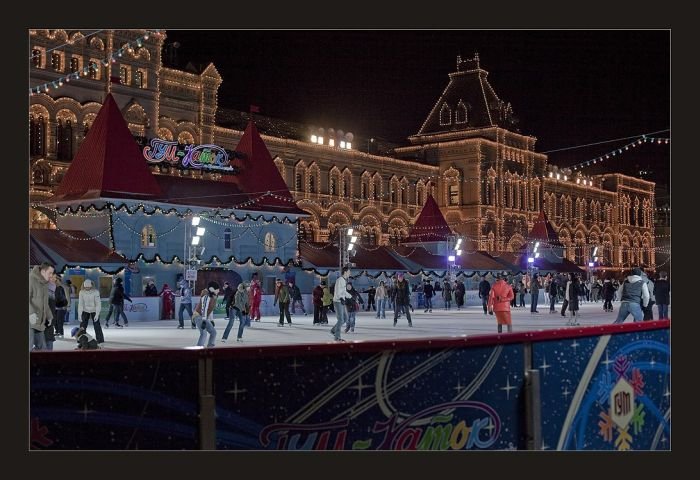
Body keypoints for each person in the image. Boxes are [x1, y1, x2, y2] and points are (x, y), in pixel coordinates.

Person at [30, 262, 54, 351]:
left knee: (42, 349)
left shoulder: (44, 283)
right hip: (30, 321)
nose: (51, 276)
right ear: (43, 271)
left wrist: (49, 316)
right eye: (50, 273)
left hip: (39, 322)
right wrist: (31, 313)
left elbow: (45, 303)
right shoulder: (31, 279)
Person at [193, 282, 219, 348]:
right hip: (198, 316)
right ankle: (199, 349)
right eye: (217, 289)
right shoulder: (206, 296)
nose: (218, 290)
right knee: (203, 333)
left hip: (204, 317)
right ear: (212, 289)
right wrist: (204, 320)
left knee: (213, 332)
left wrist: (211, 320)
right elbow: (204, 308)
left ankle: (210, 347)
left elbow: (210, 310)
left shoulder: (214, 297)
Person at [78, 279, 104, 344]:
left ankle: (100, 339)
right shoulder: (81, 292)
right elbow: (80, 304)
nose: (87, 288)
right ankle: (81, 339)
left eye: (88, 287)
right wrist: (79, 314)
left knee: (97, 325)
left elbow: (98, 303)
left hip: (94, 310)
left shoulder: (96, 292)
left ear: (91, 286)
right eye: (86, 287)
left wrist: (97, 314)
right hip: (85, 310)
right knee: (82, 325)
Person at [330, 266, 353, 342]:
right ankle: (337, 337)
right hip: (338, 301)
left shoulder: (344, 280)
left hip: (341, 301)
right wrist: (340, 298)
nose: (350, 273)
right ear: (345, 272)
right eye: (349, 271)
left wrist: (350, 296)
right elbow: (337, 291)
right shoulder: (340, 280)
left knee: (345, 318)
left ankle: (333, 330)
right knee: (340, 319)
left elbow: (343, 291)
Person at [53, 273, 68, 338]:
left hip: (61, 307)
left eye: (56, 280)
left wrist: (66, 305)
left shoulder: (62, 288)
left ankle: (61, 333)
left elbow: (65, 297)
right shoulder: (53, 288)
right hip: (55, 307)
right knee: (55, 321)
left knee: (59, 321)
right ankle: (57, 331)